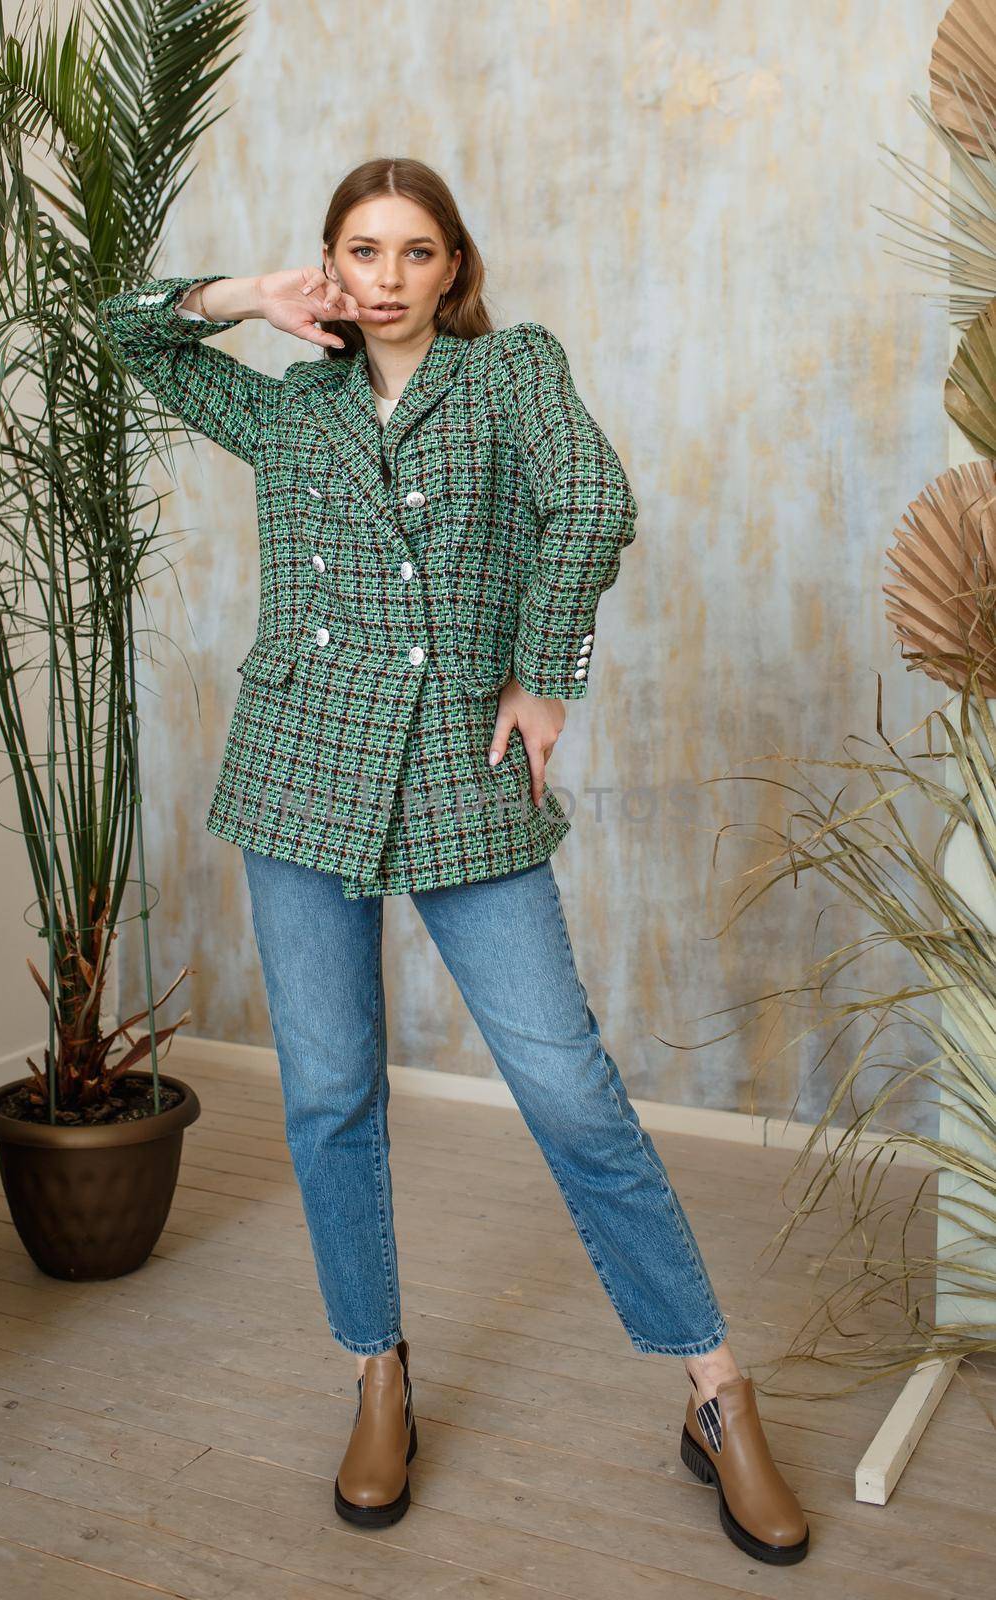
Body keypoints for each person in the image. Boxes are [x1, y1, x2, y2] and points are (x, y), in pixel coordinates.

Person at [95, 156, 809, 1565]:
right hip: (299, 775)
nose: (386, 274)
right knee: (330, 1097)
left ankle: (714, 1393)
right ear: (329, 268)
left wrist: (544, 680)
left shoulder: (509, 374)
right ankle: (377, 1373)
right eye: (358, 250)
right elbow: (128, 331)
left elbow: (593, 505)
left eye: (414, 250)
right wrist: (244, 296)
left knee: (566, 1085)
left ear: (451, 267)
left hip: (458, 774)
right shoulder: (283, 401)